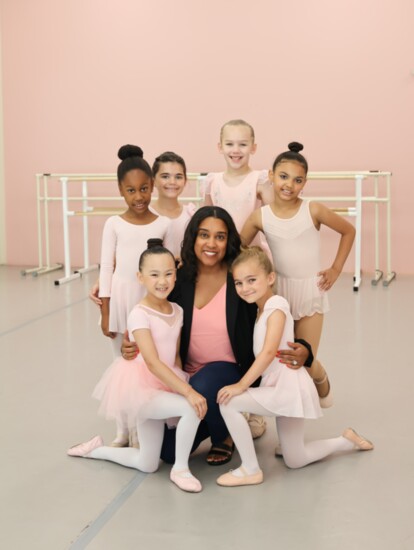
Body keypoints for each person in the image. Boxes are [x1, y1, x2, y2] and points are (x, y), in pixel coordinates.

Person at [121, 206, 313, 466]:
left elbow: (274, 311)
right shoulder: (179, 279)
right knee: (167, 452)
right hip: (188, 376)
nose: (211, 243)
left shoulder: (240, 278)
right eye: (204, 235)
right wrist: (130, 342)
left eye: (220, 237)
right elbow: (153, 311)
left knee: (205, 385)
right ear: (193, 238)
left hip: (231, 372)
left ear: (228, 241)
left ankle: (225, 436)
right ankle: (220, 417)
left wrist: (304, 348)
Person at [216, 247, 373, 487]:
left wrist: (241, 385)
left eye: (251, 280)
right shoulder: (260, 309)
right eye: (239, 283)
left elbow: (269, 352)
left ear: (270, 278)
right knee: (295, 459)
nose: (245, 287)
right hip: (283, 386)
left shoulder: (276, 305)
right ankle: (345, 441)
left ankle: (250, 468)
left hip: (287, 388)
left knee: (229, 402)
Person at [68, 241, 207, 493]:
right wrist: (188, 392)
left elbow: (174, 357)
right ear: (140, 277)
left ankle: (95, 450)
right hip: (141, 388)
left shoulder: (177, 310)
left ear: (176, 274)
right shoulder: (139, 313)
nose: (162, 281)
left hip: (165, 382)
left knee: (148, 463)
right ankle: (181, 469)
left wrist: (180, 385)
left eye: (168, 274)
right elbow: (152, 362)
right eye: (154, 275)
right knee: (191, 407)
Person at [240, 142, 356, 406]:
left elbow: (348, 231)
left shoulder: (312, 209)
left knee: (301, 357)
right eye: (283, 177)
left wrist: (336, 268)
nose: (288, 185)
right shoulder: (260, 216)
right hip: (277, 293)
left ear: (304, 183)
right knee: (281, 359)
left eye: (297, 180)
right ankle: (290, 417)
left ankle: (320, 375)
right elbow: (238, 248)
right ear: (271, 176)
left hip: (309, 291)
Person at [203, 118, 274, 437]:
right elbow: (206, 223)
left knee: (253, 337)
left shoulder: (260, 179)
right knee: (230, 333)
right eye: (230, 144)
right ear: (220, 147)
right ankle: (234, 401)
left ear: (254, 147)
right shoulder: (213, 181)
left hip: (252, 267)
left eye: (243, 144)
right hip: (222, 267)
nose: (236, 150)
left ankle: (254, 407)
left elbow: (271, 219)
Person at [98, 144, 172, 447]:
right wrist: (106, 312)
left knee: (147, 363)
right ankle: (123, 429)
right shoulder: (113, 224)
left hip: (151, 302)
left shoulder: (163, 224)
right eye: (131, 190)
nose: (139, 197)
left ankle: (145, 427)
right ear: (120, 190)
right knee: (123, 365)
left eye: (144, 189)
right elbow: (106, 268)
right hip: (121, 300)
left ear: (152, 186)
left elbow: (169, 267)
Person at [150, 151, 196, 260]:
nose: (172, 182)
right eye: (165, 176)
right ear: (153, 181)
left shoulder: (191, 215)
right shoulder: (146, 215)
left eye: (178, 177)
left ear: (185, 180)